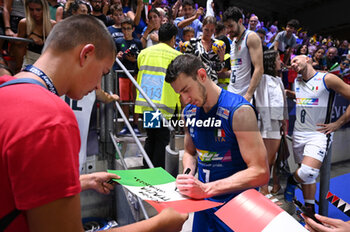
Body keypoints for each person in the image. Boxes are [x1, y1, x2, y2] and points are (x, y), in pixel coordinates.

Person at [0, 15, 187, 232]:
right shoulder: (52, 121)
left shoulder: (7, 87)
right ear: (86, 54)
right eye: (103, 73)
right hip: (161, 113)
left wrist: (82, 181)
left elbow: (18, 187)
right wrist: (160, 224)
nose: (99, 84)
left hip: (146, 110)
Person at [166, 54, 269, 232]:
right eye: (180, 94)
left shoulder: (239, 111)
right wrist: (188, 175)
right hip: (204, 205)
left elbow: (260, 172)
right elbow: (190, 152)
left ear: (202, 75)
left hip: (238, 207)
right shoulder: (189, 112)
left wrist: (207, 189)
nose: (185, 99)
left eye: (186, 90)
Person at [284, 55, 350, 214]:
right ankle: (310, 210)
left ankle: (291, 181)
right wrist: (290, 94)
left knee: (308, 171)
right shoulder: (297, 81)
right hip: (298, 134)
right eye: (291, 63)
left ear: (307, 59)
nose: (292, 64)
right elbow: (305, 97)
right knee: (307, 176)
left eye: (295, 60)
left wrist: (338, 123)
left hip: (318, 134)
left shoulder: (327, 79)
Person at [135, 23, 181, 168]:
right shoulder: (177, 56)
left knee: (151, 138)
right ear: (173, 38)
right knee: (162, 141)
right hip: (167, 107)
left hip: (148, 105)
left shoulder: (144, 53)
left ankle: (147, 168)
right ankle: (156, 173)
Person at [255, 49, 288, 203]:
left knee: (272, 159)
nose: (279, 62)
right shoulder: (262, 79)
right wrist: (267, 126)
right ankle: (263, 190)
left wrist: (283, 123)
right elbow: (262, 104)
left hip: (276, 124)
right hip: (266, 125)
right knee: (266, 159)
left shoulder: (278, 80)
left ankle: (266, 188)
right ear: (270, 61)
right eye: (277, 59)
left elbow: (283, 104)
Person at [223, 6, 263, 102]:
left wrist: (248, 96)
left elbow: (259, 69)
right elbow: (236, 70)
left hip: (244, 96)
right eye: (226, 27)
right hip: (231, 92)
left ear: (240, 21)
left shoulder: (251, 37)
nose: (228, 30)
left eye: (231, 26)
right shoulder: (233, 42)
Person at [115, 17, 142, 136]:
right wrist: (118, 55)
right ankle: (126, 125)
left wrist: (134, 59)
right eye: (124, 29)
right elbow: (114, 56)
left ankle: (135, 125)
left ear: (133, 29)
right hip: (122, 72)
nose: (126, 31)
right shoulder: (118, 41)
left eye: (128, 29)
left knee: (135, 100)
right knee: (124, 100)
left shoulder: (138, 42)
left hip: (135, 73)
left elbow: (141, 58)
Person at [15, 0, 55, 72]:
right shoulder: (24, 23)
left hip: (46, 61)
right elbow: (18, 44)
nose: (34, 13)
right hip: (29, 59)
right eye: (31, 9)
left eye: (38, 10)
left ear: (44, 9)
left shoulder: (52, 25)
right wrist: (29, 37)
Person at [184, 16, 225, 84]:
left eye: (212, 30)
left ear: (215, 30)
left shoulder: (218, 45)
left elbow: (219, 69)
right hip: (196, 81)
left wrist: (221, 59)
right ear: (202, 27)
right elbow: (186, 63)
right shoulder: (194, 42)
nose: (209, 33)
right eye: (206, 29)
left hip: (212, 83)